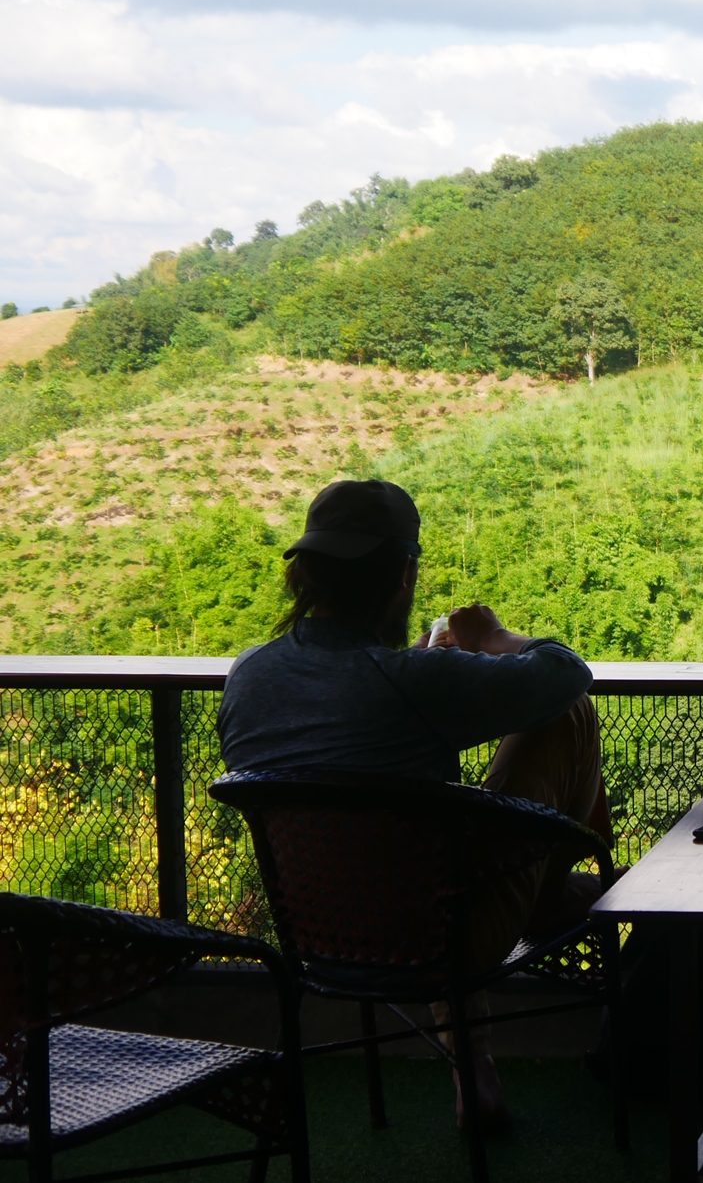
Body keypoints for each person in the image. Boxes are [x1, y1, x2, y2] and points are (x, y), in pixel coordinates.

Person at [219, 479, 611, 1133]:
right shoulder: (412, 682)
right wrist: (493, 638)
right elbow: (565, 673)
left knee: (415, 863)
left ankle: (473, 1070)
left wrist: (419, 675)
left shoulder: (248, 674)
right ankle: (552, 896)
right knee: (564, 713)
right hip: (443, 939)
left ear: (306, 574)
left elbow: (351, 735)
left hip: (317, 936)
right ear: (404, 573)